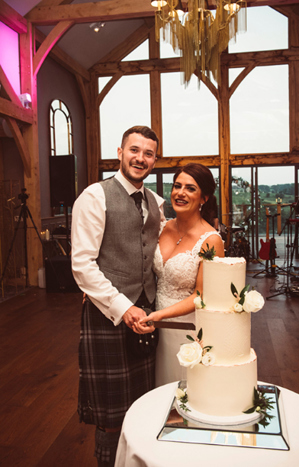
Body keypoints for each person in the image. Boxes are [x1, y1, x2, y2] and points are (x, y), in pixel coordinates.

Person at [71, 126, 164, 466]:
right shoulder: (95, 196)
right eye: (134, 150)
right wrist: (125, 308)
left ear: (155, 159)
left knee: (144, 403)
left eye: (148, 153)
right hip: (107, 314)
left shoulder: (157, 202)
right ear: (120, 152)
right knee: (111, 415)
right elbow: (82, 265)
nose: (141, 158)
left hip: (148, 314)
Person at [138, 163, 225, 386]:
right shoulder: (162, 227)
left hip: (186, 326)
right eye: (177, 186)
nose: (180, 193)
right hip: (155, 325)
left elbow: (203, 295)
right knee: (159, 387)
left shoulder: (211, 240)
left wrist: (160, 315)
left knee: (183, 387)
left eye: (190, 188)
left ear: (204, 198)